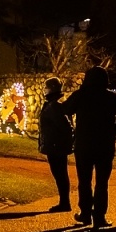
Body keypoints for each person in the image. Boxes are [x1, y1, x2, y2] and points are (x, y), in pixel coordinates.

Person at [60, 66, 116, 229]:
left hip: (84, 144)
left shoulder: (80, 95)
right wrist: (113, 127)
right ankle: (99, 216)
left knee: (84, 180)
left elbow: (65, 109)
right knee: (102, 182)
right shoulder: (112, 97)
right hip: (104, 144)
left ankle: (86, 213)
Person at [36, 77, 73, 213]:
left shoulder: (54, 106)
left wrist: (59, 141)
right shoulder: (53, 104)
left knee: (60, 174)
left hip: (56, 146)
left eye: (46, 87)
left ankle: (64, 203)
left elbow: (65, 126)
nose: (44, 89)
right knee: (59, 174)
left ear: (51, 88)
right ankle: (64, 202)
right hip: (54, 144)